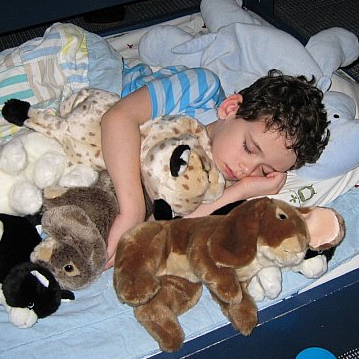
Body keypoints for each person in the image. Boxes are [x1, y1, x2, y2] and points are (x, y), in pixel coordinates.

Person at [101, 65, 329, 269]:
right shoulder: (201, 90)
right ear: (230, 109)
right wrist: (132, 210)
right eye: (249, 148)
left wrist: (242, 191)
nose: (246, 170)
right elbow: (118, 116)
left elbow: (168, 227)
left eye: (265, 170)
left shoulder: (224, 184)